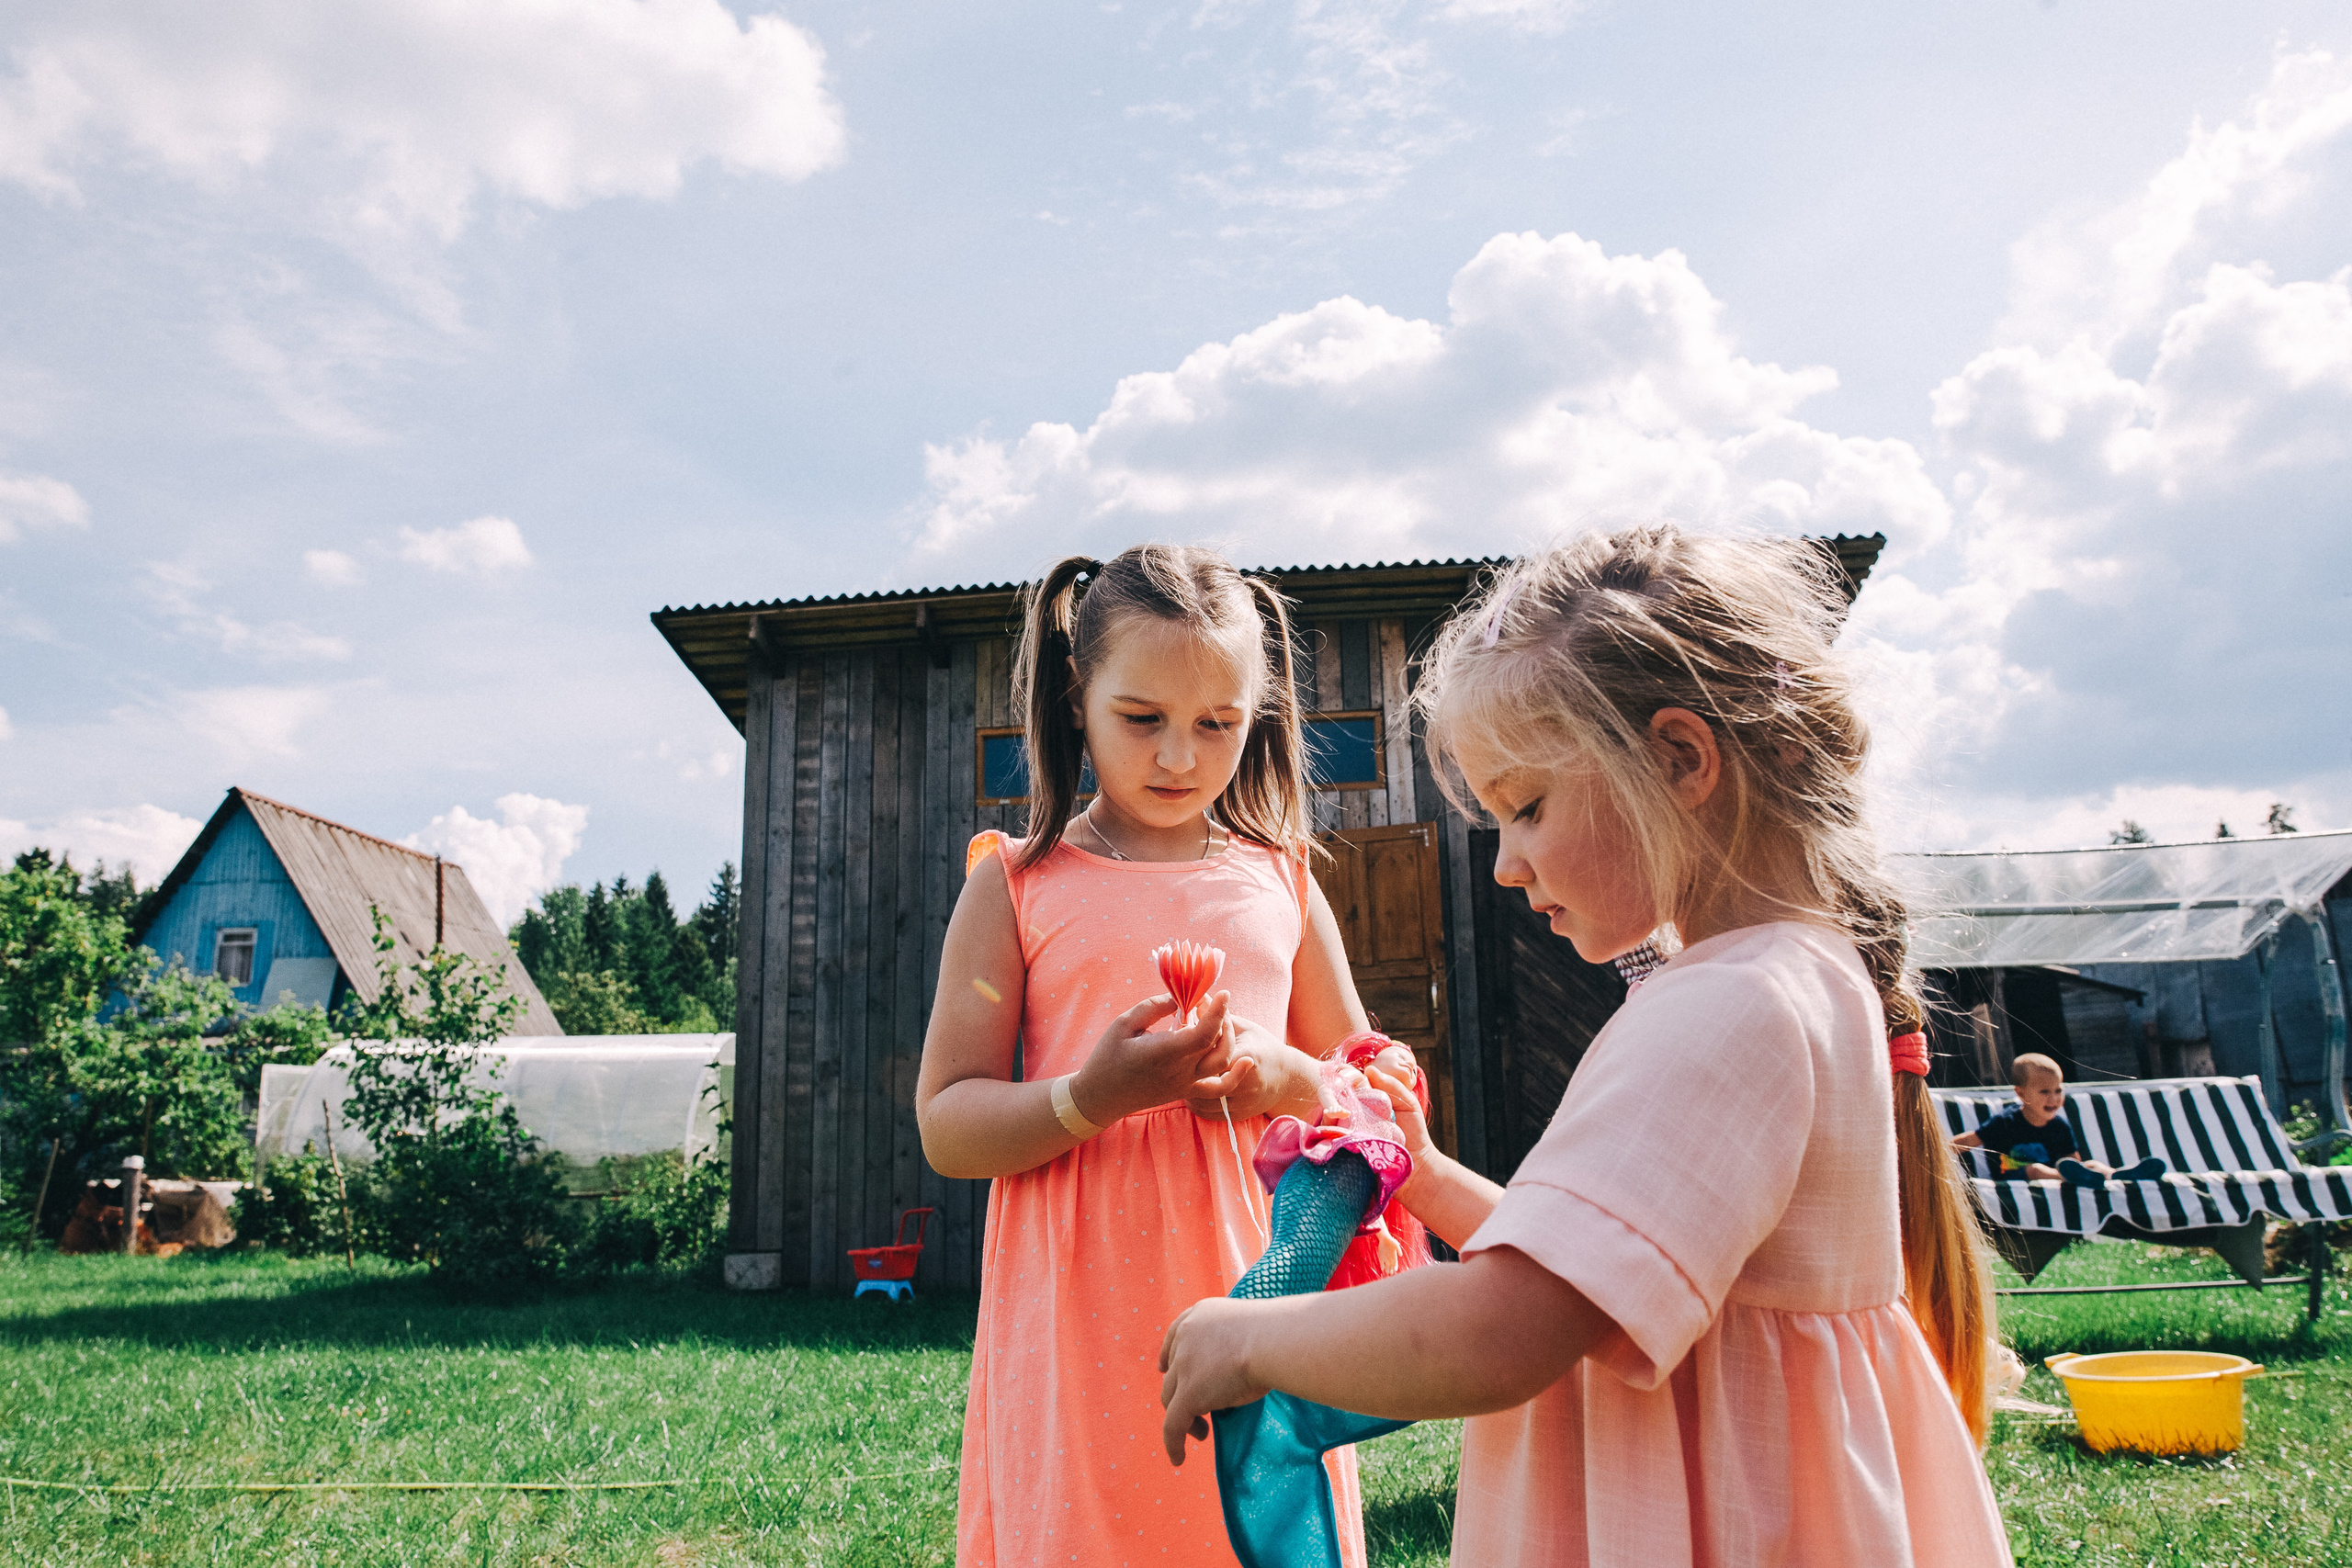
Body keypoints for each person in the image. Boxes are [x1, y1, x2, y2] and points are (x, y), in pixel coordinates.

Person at [1159, 525, 2014, 1567]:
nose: (1505, 865)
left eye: (1526, 808)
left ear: (1680, 758)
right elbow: (1597, 1274)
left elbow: (1510, 1328)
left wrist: (1245, 1338)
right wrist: (1425, 1175)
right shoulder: (1803, 974)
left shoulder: (1723, 1007)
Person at [917, 545, 1378, 1568]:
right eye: (1142, 718)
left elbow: (1374, 1099)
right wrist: (1090, 1096)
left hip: (1255, 1286)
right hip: (1076, 1316)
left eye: (1217, 723)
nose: (1179, 756)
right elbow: (947, 1124)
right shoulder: (1016, 885)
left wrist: (1285, 1078)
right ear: (1077, 696)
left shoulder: (1285, 882)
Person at [1953, 1052, 2165, 1187]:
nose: (2053, 1098)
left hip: (2056, 1174)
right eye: (2044, 1091)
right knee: (2036, 1169)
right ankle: (2078, 1178)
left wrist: (2082, 1169)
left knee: (2092, 1164)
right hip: (2012, 1176)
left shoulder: (2059, 1126)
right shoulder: (2005, 1122)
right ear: (2021, 1094)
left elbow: (2073, 1160)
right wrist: (1941, 1151)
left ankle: (2116, 1175)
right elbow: (1970, 1140)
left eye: (2058, 1090)